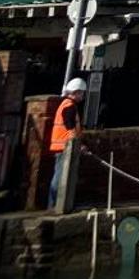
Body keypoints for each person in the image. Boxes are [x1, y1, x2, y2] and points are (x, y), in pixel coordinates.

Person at [46, 77, 87, 210]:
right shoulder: (69, 106)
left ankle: (55, 204)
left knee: (61, 176)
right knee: (59, 177)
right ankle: (53, 204)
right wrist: (77, 143)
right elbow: (70, 127)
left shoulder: (66, 105)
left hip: (63, 145)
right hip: (65, 146)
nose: (82, 96)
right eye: (81, 93)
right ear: (75, 92)